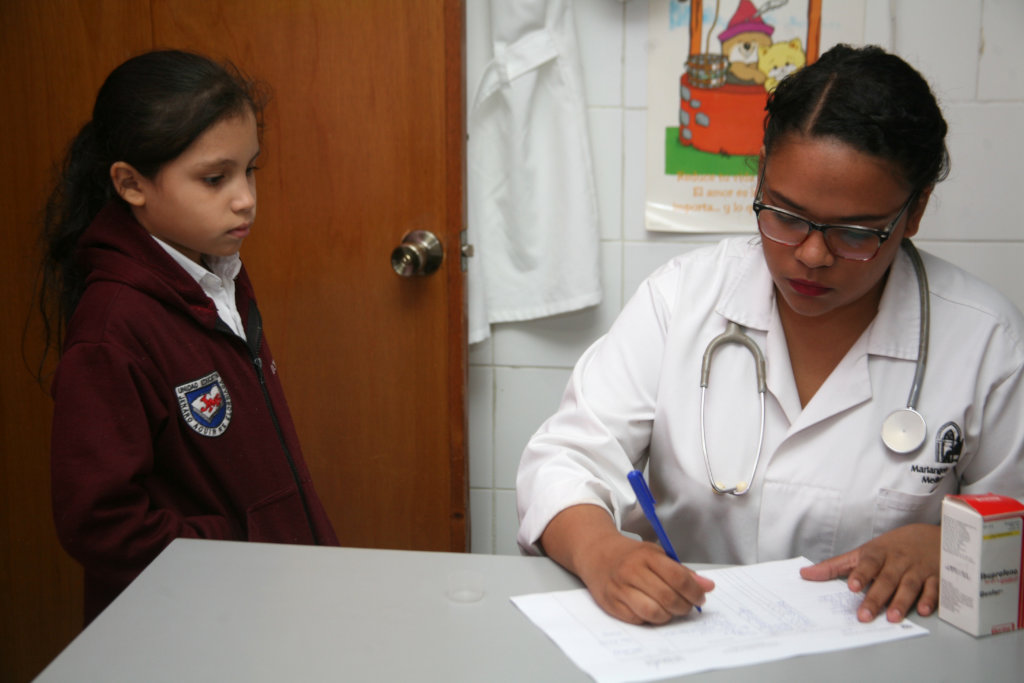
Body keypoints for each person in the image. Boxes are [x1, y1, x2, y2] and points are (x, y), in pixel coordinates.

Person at [516, 44, 1024, 627]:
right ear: (761, 177)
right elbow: (563, 460)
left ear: (914, 212)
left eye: (855, 233)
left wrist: (949, 546)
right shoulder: (682, 299)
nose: (811, 255)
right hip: (689, 638)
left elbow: (1015, 519)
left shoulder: (988, 343)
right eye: (784, 216)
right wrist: (602, 553)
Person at [37, 50, 339, 624]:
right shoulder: (114, 331)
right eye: (214, 178)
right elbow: (101, 524)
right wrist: (239, 541)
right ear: (131, 184)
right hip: (194, 620)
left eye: (249, 170)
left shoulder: (218, 277)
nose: (245, 196)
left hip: (262, 597)